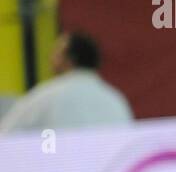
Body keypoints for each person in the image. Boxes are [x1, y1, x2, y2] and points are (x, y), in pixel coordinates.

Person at [0, 32, 132, 133]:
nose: (50, 58)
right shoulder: (115, 99)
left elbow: (6, 135)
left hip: (62, 167)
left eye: (56, 53)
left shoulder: (46, 96)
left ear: (69, 59)